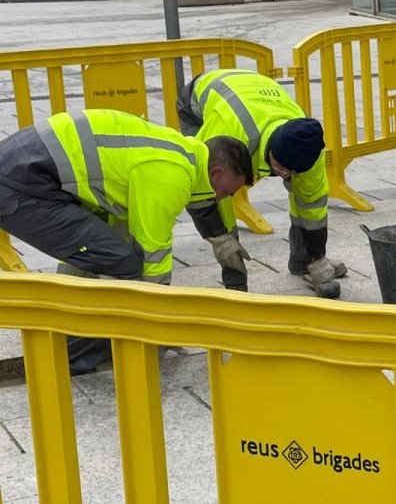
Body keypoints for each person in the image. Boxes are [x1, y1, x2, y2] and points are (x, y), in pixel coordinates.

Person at [0, 109, 252, 374]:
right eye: (227, 192)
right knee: (125, 263)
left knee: (103, 252)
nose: (223, 199)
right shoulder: (171, 175)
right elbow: (153, 253)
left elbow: (123, 224)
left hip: (24, 166)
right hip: (21, 185)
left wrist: (218, 236)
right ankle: (67, 359)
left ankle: (64, 334)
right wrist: (157, 326)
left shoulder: (180, 152)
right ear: (216, 172)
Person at [177, 69, 345, 299]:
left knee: (305, 196)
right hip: (199, 101)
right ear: (271, 149)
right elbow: (200, 188)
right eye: (282, 169)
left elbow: (312, 206)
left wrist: (317, 257)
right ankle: (234, 278)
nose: (286, 176)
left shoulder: (309, 149)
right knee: (216, 190)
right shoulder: (230, 134)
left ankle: (303, 262)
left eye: (293, 173)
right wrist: (222, 240)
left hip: (256, 95)